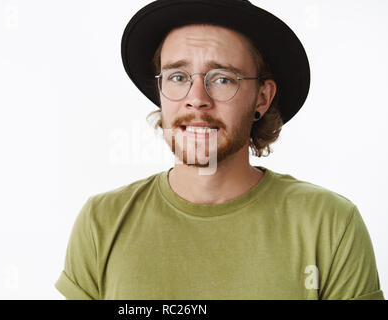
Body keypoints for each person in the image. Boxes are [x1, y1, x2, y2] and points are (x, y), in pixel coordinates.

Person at [55, 0, 384, 300]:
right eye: (178, 76)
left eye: (223, 79)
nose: (196, 97)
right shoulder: (101, 222)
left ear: (262, 98)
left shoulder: (330, 225)